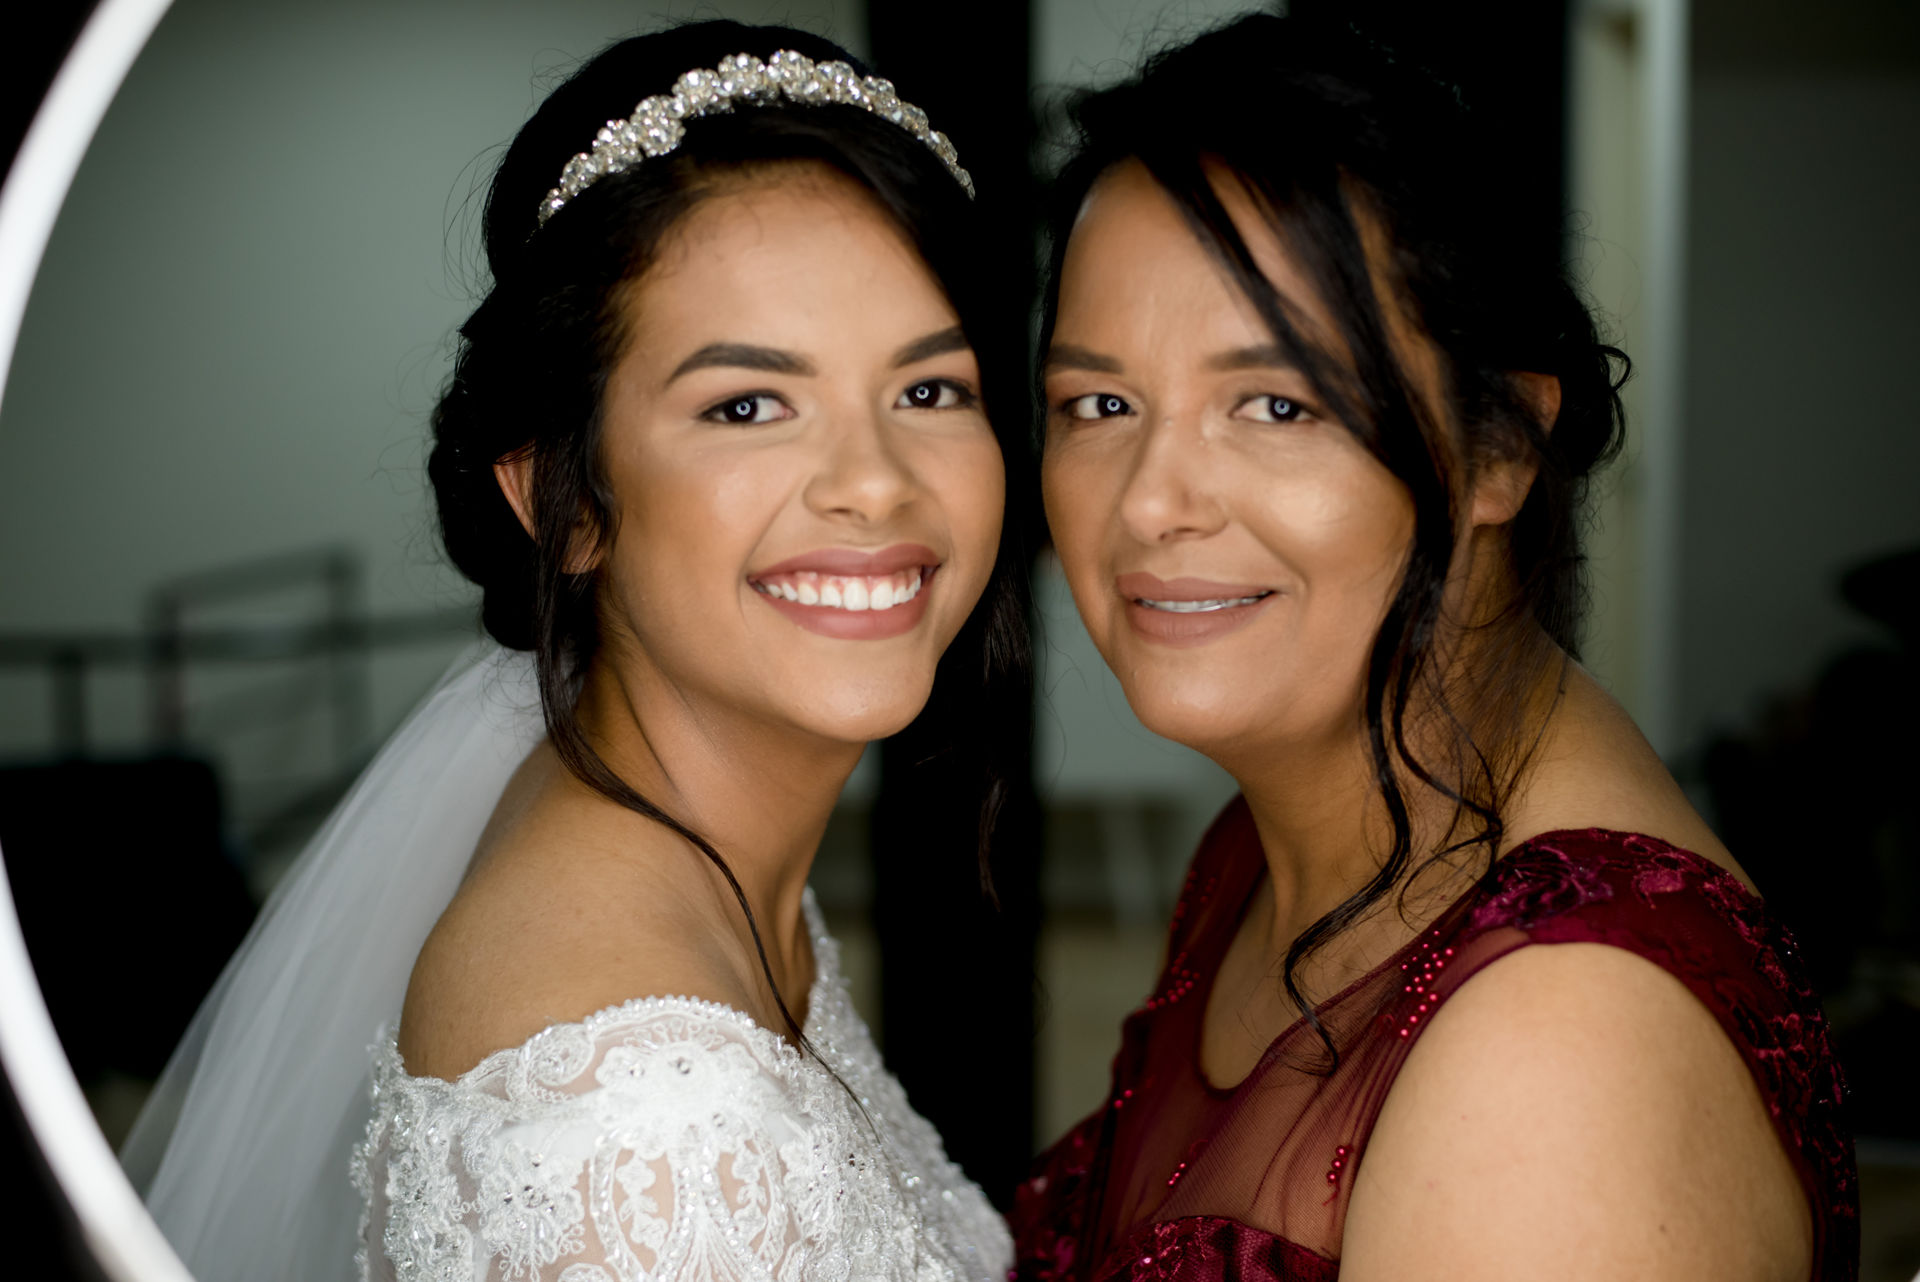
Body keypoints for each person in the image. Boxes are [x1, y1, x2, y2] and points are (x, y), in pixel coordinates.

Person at [122, 21, 1025, 1282]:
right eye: (746, 405)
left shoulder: (699, 847)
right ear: (567, 500)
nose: (874, 484)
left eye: (930, 389)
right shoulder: (640, 1124)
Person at [1011, 14, 1855, 1282]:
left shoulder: (1563, 1055)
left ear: (1503, 444)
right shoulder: (1271, 844)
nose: (1146, 501)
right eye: (1099, 405)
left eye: (1276, 403)